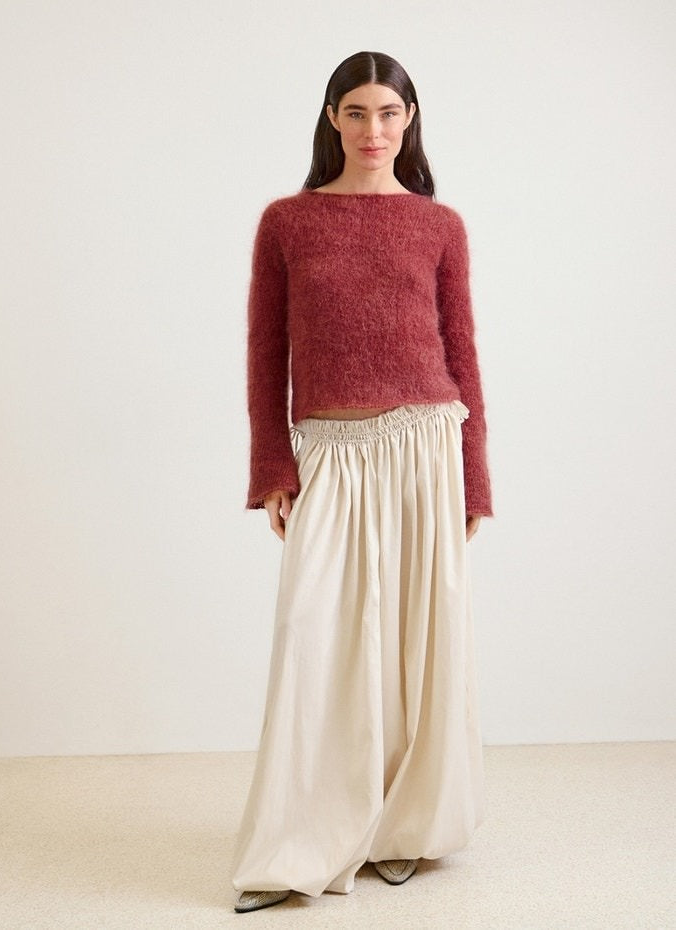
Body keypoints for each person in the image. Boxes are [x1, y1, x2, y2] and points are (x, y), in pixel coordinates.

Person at [231, 50, 494, 914]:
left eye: (388, 112)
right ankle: (292, 847)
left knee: (418, 645)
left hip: (426, 445)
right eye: (356, 112)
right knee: (316, 640)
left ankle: (403, 829)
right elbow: (267, 352)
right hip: (332, 451)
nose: (373, 129)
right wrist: (273, 465)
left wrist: (473, 480)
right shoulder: (287, 222)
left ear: (408, 119)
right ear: (332, 118)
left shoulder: (439, 225)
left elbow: (463, 355)